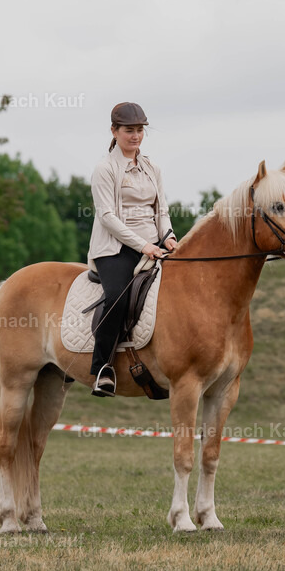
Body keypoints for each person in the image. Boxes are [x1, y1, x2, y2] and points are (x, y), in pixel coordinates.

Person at [88, 102, 177, 396]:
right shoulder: (105, 169)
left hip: (154, 244)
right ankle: (103, 367)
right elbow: (107, 217)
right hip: (114, 249)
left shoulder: (152, 167)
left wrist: (169, 237)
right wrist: (144, 246)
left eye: (139, 130)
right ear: (114, 131)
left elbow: (161, 209)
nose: (135, 136)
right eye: (129, 130)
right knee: (117, 297)